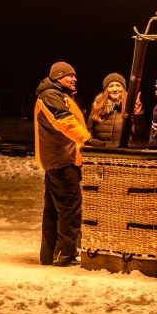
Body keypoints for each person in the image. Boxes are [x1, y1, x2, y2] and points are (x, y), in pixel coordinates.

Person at [34, 61, 102, 267]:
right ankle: (67, 254)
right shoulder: (50, 96)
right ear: (57, 77)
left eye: (74, 76)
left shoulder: (57, 95)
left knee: (54, 210)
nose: (74, 79)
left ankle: (50, 254)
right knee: (70, 208)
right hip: (61, 160)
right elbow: (64, 121)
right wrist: (87, 140)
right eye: (69, 76)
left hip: (58, 159)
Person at [86, 73, 143, 148]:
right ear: (106, 90)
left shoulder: (130, 107)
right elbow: (88, 132)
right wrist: (92, 143)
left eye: (118, 85)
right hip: (101, 153)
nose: (115, 89)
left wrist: (137, 115)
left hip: (124, 153)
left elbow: (139, 136)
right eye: (111, 86)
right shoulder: (97, 107)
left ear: (123, 89)